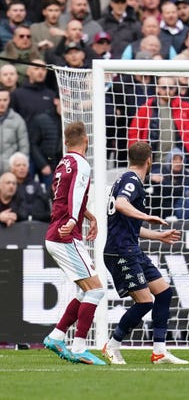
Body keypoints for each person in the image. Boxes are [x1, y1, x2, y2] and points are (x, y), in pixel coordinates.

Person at [102, 142, 188, 365]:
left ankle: (159, 351)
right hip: (120, 251)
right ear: (149, 160)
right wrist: (145, 215)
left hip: (131, 248)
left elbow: (129, 226)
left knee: (164, 292)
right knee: (145, 301)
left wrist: (159, 236)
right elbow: (121, 204)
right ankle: (112, 345)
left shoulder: (125, 179)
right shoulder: (131, 181)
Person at [42, 122, 106, 365]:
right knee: (97, 289)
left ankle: (57, 336)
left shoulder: (63, 163)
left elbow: (59, 195)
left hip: (58, 233)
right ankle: (79, 347)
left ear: (66, 142)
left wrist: (87, 216)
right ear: (86, 139)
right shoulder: (81, 163)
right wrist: (72, 219)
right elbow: (74, 196)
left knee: (85, 290)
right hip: (64, 235)